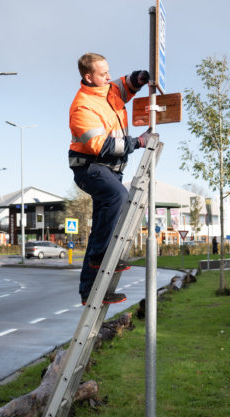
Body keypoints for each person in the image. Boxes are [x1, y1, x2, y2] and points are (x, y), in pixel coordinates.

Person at [68, 52, 156, 305]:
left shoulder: (106, 88)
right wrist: (138, 142)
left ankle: (89, 292)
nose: (108, 76)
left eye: (108, 71)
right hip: (90, 168)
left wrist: (138, 79)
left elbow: (123, 85)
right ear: (88, 77)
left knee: (100, 228)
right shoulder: (82, 106)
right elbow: (101, 146)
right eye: (103, 73)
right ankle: (99, 255)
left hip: (111, 170)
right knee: (118, 196)